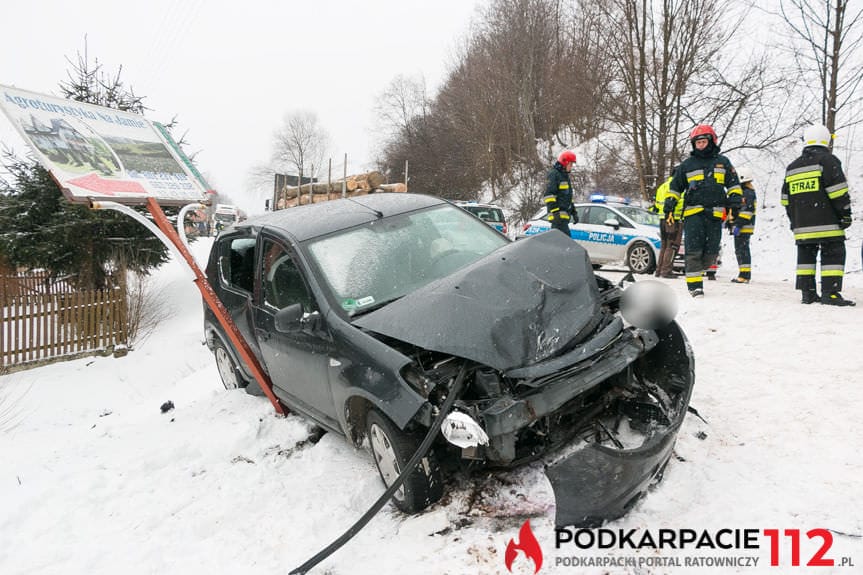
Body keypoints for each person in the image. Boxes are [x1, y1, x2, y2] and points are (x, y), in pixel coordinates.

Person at [781, 124, 855, 306]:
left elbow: (785, 199)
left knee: (806, 256)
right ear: (826, 140)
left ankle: (808, 293)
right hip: (827, 223)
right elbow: (838, 192)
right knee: (833, 254)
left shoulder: (793, 167)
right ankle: (830, 293)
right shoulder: (828, 161)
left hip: (802, 226)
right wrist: (845, 214)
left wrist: (794, 221)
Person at [665, 124, 742, 297]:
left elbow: (733, 185)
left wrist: (735, 202)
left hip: (715, 214)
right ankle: (695, 287)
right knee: (693, 250)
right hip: (693, 214)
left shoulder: (723, 163)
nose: (700, 145)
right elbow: (675, 188)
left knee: (711, 252)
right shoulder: (687, 165)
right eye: (697, 142)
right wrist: (669, 205)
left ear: (711, 141)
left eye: (703, 142)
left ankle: (703, 268)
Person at [728, 168, 757, 283]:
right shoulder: (745, 192)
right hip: (742, 226)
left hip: (744, 226)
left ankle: (744, 275)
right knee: (741, 250)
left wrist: (738, 224)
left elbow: (747, 210)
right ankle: (744, 274)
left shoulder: (747, 193)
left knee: (742, 250)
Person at [653, 176, 682, 278]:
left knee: (664, 246)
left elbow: (656, 204)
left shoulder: (662, 187)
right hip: (674, 219)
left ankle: (659, 270)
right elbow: (681, 203)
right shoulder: (678, 187)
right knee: (672, 246)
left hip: (662, 219)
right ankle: (666, 271)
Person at [544, 150, 579, 236]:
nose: (571, 167)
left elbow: (567, 198)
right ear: (565, 163)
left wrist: (574, 213)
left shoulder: (564, 176)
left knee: (559, 246)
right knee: (567, 245)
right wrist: (556, 212)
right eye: (570, 164)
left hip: (563, 219)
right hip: (557, 219)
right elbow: (549, 195)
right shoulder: (554, 174)